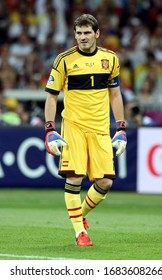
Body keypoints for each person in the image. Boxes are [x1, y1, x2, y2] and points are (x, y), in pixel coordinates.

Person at [44, 14, 127, 246]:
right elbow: (51, 96)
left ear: (97, 34)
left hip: (101, 127)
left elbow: (115, 94)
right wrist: (50, 129)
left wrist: (121, 127)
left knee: (105, 183)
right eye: (78, 33)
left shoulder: (110, 59)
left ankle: (79, 216)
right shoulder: (64, 60)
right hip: (74, 126)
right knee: (75, 177)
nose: (82, 37)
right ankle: (80, 232)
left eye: (87, 32)